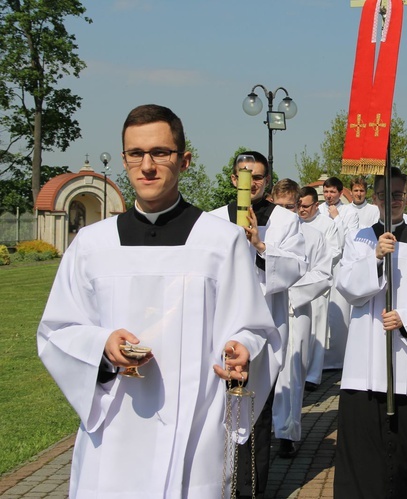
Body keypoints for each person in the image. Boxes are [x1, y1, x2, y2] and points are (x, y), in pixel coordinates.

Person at [37, 104, 281, 498]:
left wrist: (243, 350)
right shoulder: (91, 245)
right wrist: (102, 346)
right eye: (136, 154)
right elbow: (57, 331)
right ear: (124, 160)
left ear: (183, 160)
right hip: (113, 427)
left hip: (194, 426)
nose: (147, 165)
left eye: (160, 153)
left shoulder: (221, 242)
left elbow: (253, 327)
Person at [333, 167, 407, 499]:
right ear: (375, 198)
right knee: (359, 450)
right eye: (385, 195)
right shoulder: (361, 239)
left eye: (399, 195)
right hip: (364, 365)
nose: (392, 201)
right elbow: (348, 287)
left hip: (404, 363)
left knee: (397, 454)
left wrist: (406, 317)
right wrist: (376, 259)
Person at [209, 151, 306, 499]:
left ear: (266, 180)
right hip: (221, 328)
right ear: (234, 179)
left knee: (255, 410)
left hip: (264, 329)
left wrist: (258, 245)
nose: (252, 180)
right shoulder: (214, 219)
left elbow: (296, 267)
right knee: (216, 410)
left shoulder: (284, 220)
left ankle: (251, 489)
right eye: (244, 174)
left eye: (259, 176)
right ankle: (216, 483)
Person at [270, 180, 333, 458]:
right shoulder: (262, 232)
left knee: (292, 372)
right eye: (279, 206)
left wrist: (290, 292)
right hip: (264, 309)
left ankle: (286, 432)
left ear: (299, 206)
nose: (285, 212)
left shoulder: (314, 236)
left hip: (296, 309)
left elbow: (323, 274)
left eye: (290, 207)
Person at [297, 186, 342, 391]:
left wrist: (313, 267)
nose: (301, 210)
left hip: (317, 283)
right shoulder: (294, 223)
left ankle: (313, 375)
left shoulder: (327, 224)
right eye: (299, 205)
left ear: (316, 204)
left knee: (317, 328)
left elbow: (334, 250)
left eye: (306, 206)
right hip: (297, 282)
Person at [319, 176, 359, 370]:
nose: (328, 196)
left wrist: (337, 218)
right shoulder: (318, 210)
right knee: (320, 311)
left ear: (341, 193)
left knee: (338, 313)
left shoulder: (350, 212)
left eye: (332, 192)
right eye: (326, 192)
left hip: (339, 266)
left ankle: (337, 359)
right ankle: (319, 356)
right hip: (321, 264)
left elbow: (350, 240)